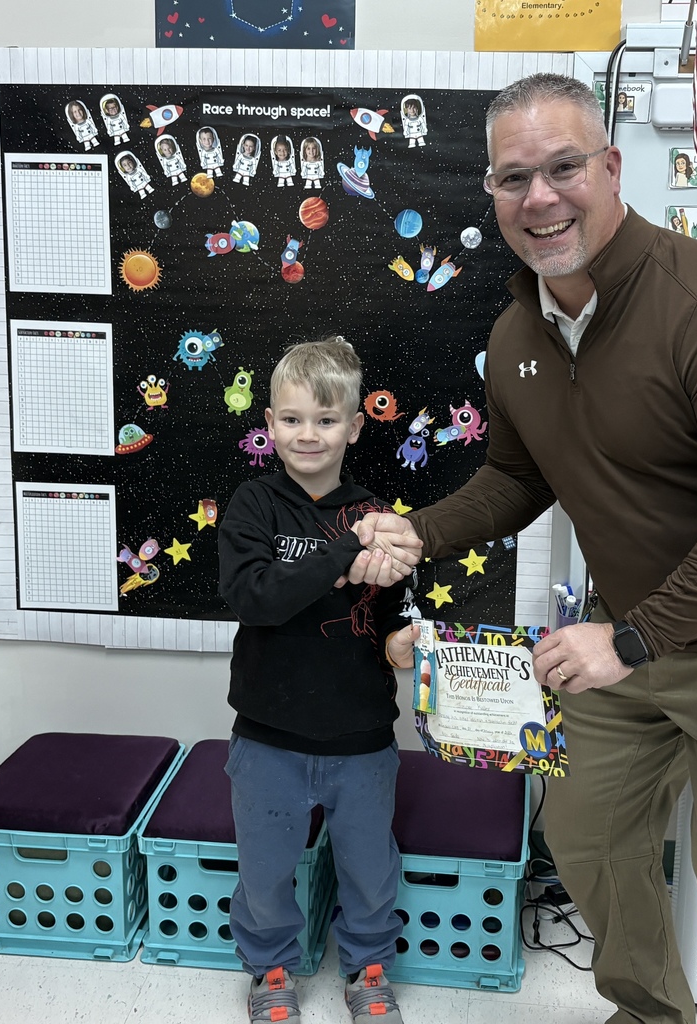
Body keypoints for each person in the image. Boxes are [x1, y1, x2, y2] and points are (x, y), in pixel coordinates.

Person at [351, 73, 697, 1024]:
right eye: (515, 178)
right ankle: (650, 1012)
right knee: (584, 838)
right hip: (635, 637)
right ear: (494, 196)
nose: (540, 197)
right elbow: (518, 477)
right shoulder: (517, 334)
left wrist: (626, 641)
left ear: (611, 167)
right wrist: (418, 530)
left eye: (563, 167)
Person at [218, 336, 415, 1024]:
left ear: (355, 427)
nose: (309, 434)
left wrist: (404, 642)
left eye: (326, 420)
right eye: (293, 419)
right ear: (268, 423)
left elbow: (388, 621)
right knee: (266, 870)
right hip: (268, 735)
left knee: (369, 869)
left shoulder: (380, 515)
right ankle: (270, 968)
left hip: (362, 736)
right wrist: (342, 554)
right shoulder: (252, 505)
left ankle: (366, 967)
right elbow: (255, 598)